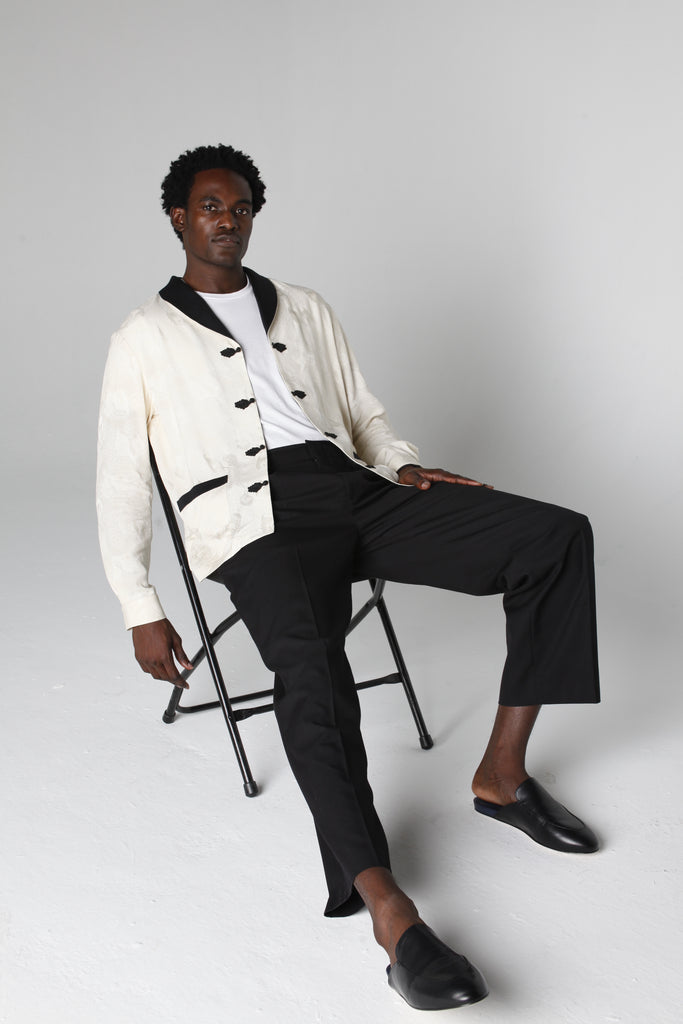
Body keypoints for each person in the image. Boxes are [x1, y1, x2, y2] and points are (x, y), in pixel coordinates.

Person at [96, 144, 600, 1011]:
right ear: (177, 216)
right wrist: (140, 605)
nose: (229, 218)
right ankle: (392, 916)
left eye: (243, 204)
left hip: (354, 492)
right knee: (315, 675)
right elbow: (120, 479)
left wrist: (400, 467)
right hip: (252, 528)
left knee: (552, 537)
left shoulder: (304, 307)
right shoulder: (143, 336)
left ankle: (502, 776)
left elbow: (363, 416)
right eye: (211, 205)